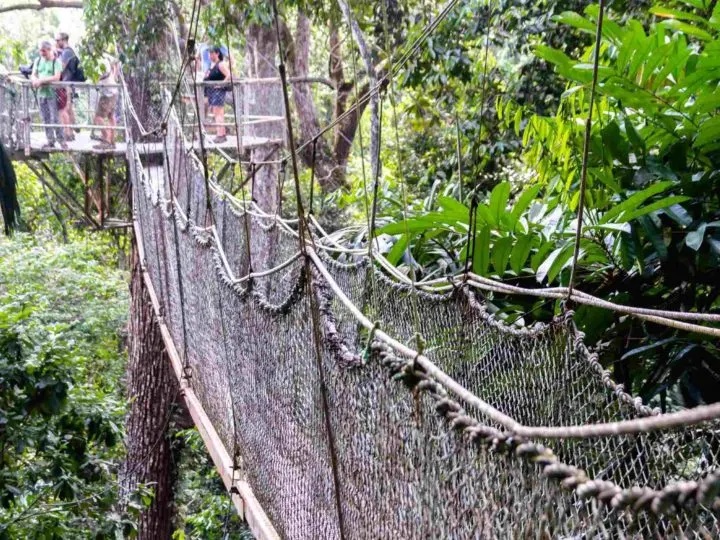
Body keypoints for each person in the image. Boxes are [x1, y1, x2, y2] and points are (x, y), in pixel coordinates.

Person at [31, 40, 65, 150]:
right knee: (45, 118)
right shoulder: (38, 60)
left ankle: (61, 140)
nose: (42, 53)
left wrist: (42, 81)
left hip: (53, 94)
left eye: (44, 51)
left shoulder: (56, 62)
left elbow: (56, 77)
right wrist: (35, 80)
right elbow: (33, 74)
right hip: (41, 93)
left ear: (49, 50)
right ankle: (50, 140)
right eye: (40, 51)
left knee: (55, 118)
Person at [55, 32, 81, 141]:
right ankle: (73, 128)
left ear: (63, 40)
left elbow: (61, 67)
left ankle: (68, 133)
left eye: (57, 40)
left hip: (66, 84)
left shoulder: (66, 53)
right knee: (68, 108)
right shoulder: (69, 51)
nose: (56, 42)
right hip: (69, 84)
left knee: (63, 109)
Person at [203, 46, 230, 144]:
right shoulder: (211, 65)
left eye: (212, 53)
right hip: (212, 92)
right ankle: (222, 134)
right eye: (209, 54)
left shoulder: (220, 64)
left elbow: (229, 75)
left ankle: (220, 135)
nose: (210, 55)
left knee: (218, 113)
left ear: (217, 53)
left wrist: (220, 85)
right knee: (218, 113)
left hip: (218, 92)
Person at [92, 58, 120, 150]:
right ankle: (112, 140)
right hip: (113, 91)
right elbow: (116, 62)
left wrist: (95, 80)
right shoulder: (106, 58)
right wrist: (115, 75)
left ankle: (106, 140)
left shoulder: (101, 61)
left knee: (98, 117)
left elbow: (102, 75)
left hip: (108, 93)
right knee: (111, 117)